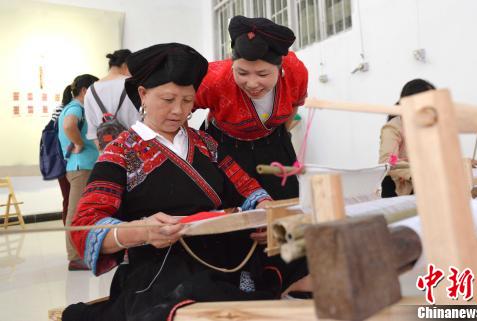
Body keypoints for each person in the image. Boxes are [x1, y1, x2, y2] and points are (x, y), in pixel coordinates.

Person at [62, 43, 308, 321]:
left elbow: (246, 188)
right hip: (165, 266)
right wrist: (141, 231)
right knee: (189, 298)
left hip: (229, 255)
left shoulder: (205, 143)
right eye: (168, 100)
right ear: (142, 94)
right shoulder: (121, 152)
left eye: (188, 101)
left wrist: (264, 212)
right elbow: (84, 227)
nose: (178, 111)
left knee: (303, 250)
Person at [195, 16, 308, 202]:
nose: (252, 83)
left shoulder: (295, 70)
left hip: (275, 143)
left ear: (280, 69)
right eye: (242, 73)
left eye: (263, 74)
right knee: (235, 210)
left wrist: (275, 138)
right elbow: (183, 108)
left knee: (286, 206)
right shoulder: (214, 79)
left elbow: (295, 104)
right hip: (226, 147)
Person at [378, 79, 477, 197]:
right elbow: (388, 160)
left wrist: (462, 163)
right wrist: (414, 169)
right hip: (399, 189)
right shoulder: (394, 127)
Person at [58, 74, 99, 270]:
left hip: (82, 166)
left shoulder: (76, 107)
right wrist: (78, 142)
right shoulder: (76, 108)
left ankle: (83, 252)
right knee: (75, 213)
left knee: (83, 212)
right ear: (84, 90)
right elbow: (68, 125)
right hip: (80, 167)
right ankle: (74, 257)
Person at [84, 49, 140, 150]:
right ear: (125, 65)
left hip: (108, 151)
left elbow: (92, 131)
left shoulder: (91, 90)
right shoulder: (133, 84)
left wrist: (106, 153)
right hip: (134, 146)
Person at [50, 85, 75, 225]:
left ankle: (68, 229)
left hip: (60, 161)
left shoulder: (60, 110)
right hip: (68, 160)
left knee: (67, 198)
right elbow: (65, 137)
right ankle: (70, 231)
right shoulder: (71, 111)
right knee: (70, 198)